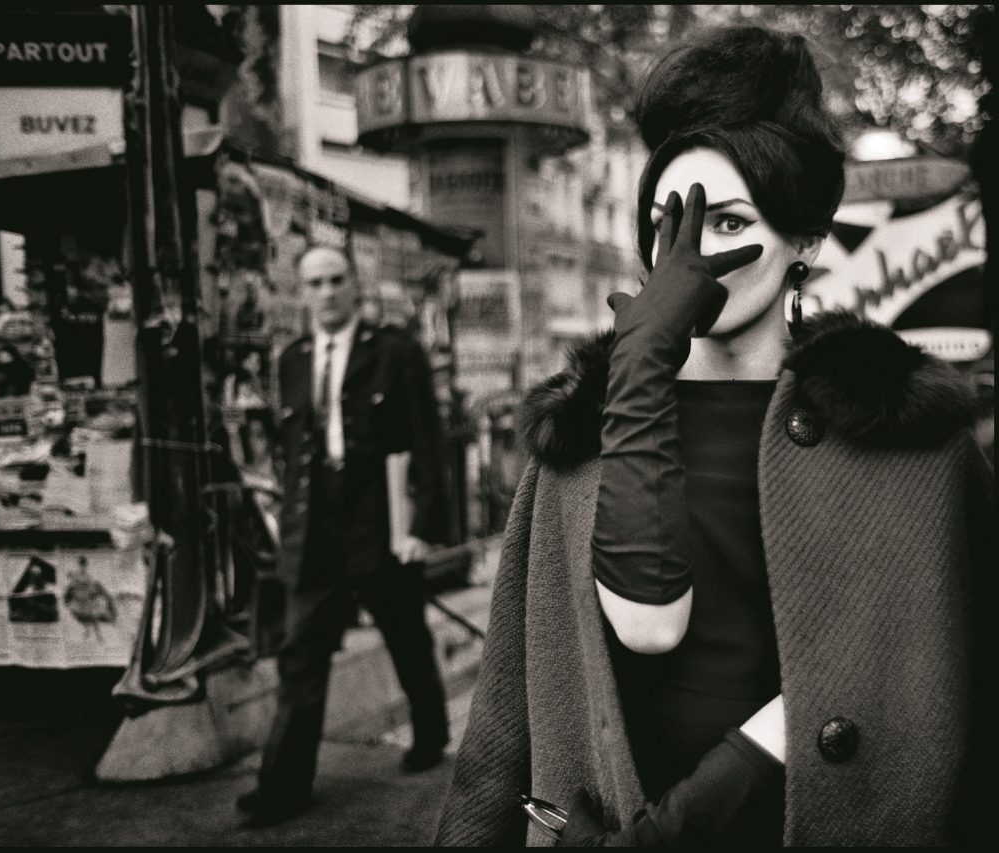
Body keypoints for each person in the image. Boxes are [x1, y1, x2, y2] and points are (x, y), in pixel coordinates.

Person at [436, 26, 994, 847]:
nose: (689, 258)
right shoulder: (577, 448)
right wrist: (637, 375)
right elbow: (511, 723)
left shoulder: (911, 441)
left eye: (727, 222)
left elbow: (974, 715)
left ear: (802, 238)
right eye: (666, 224)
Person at [237, 245, 451, 827]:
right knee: (300, 657)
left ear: (355, 286)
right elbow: (291, 452)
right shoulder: (294, 361)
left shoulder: (394, 353)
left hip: (380, 527)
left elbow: (428, 444)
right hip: (316, 535)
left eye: (336, 280)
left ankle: (430, 735)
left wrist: (421, 529)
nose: (326, 292)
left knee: (406, 637)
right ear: (301, 292)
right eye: (315, 283)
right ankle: (283, 787)